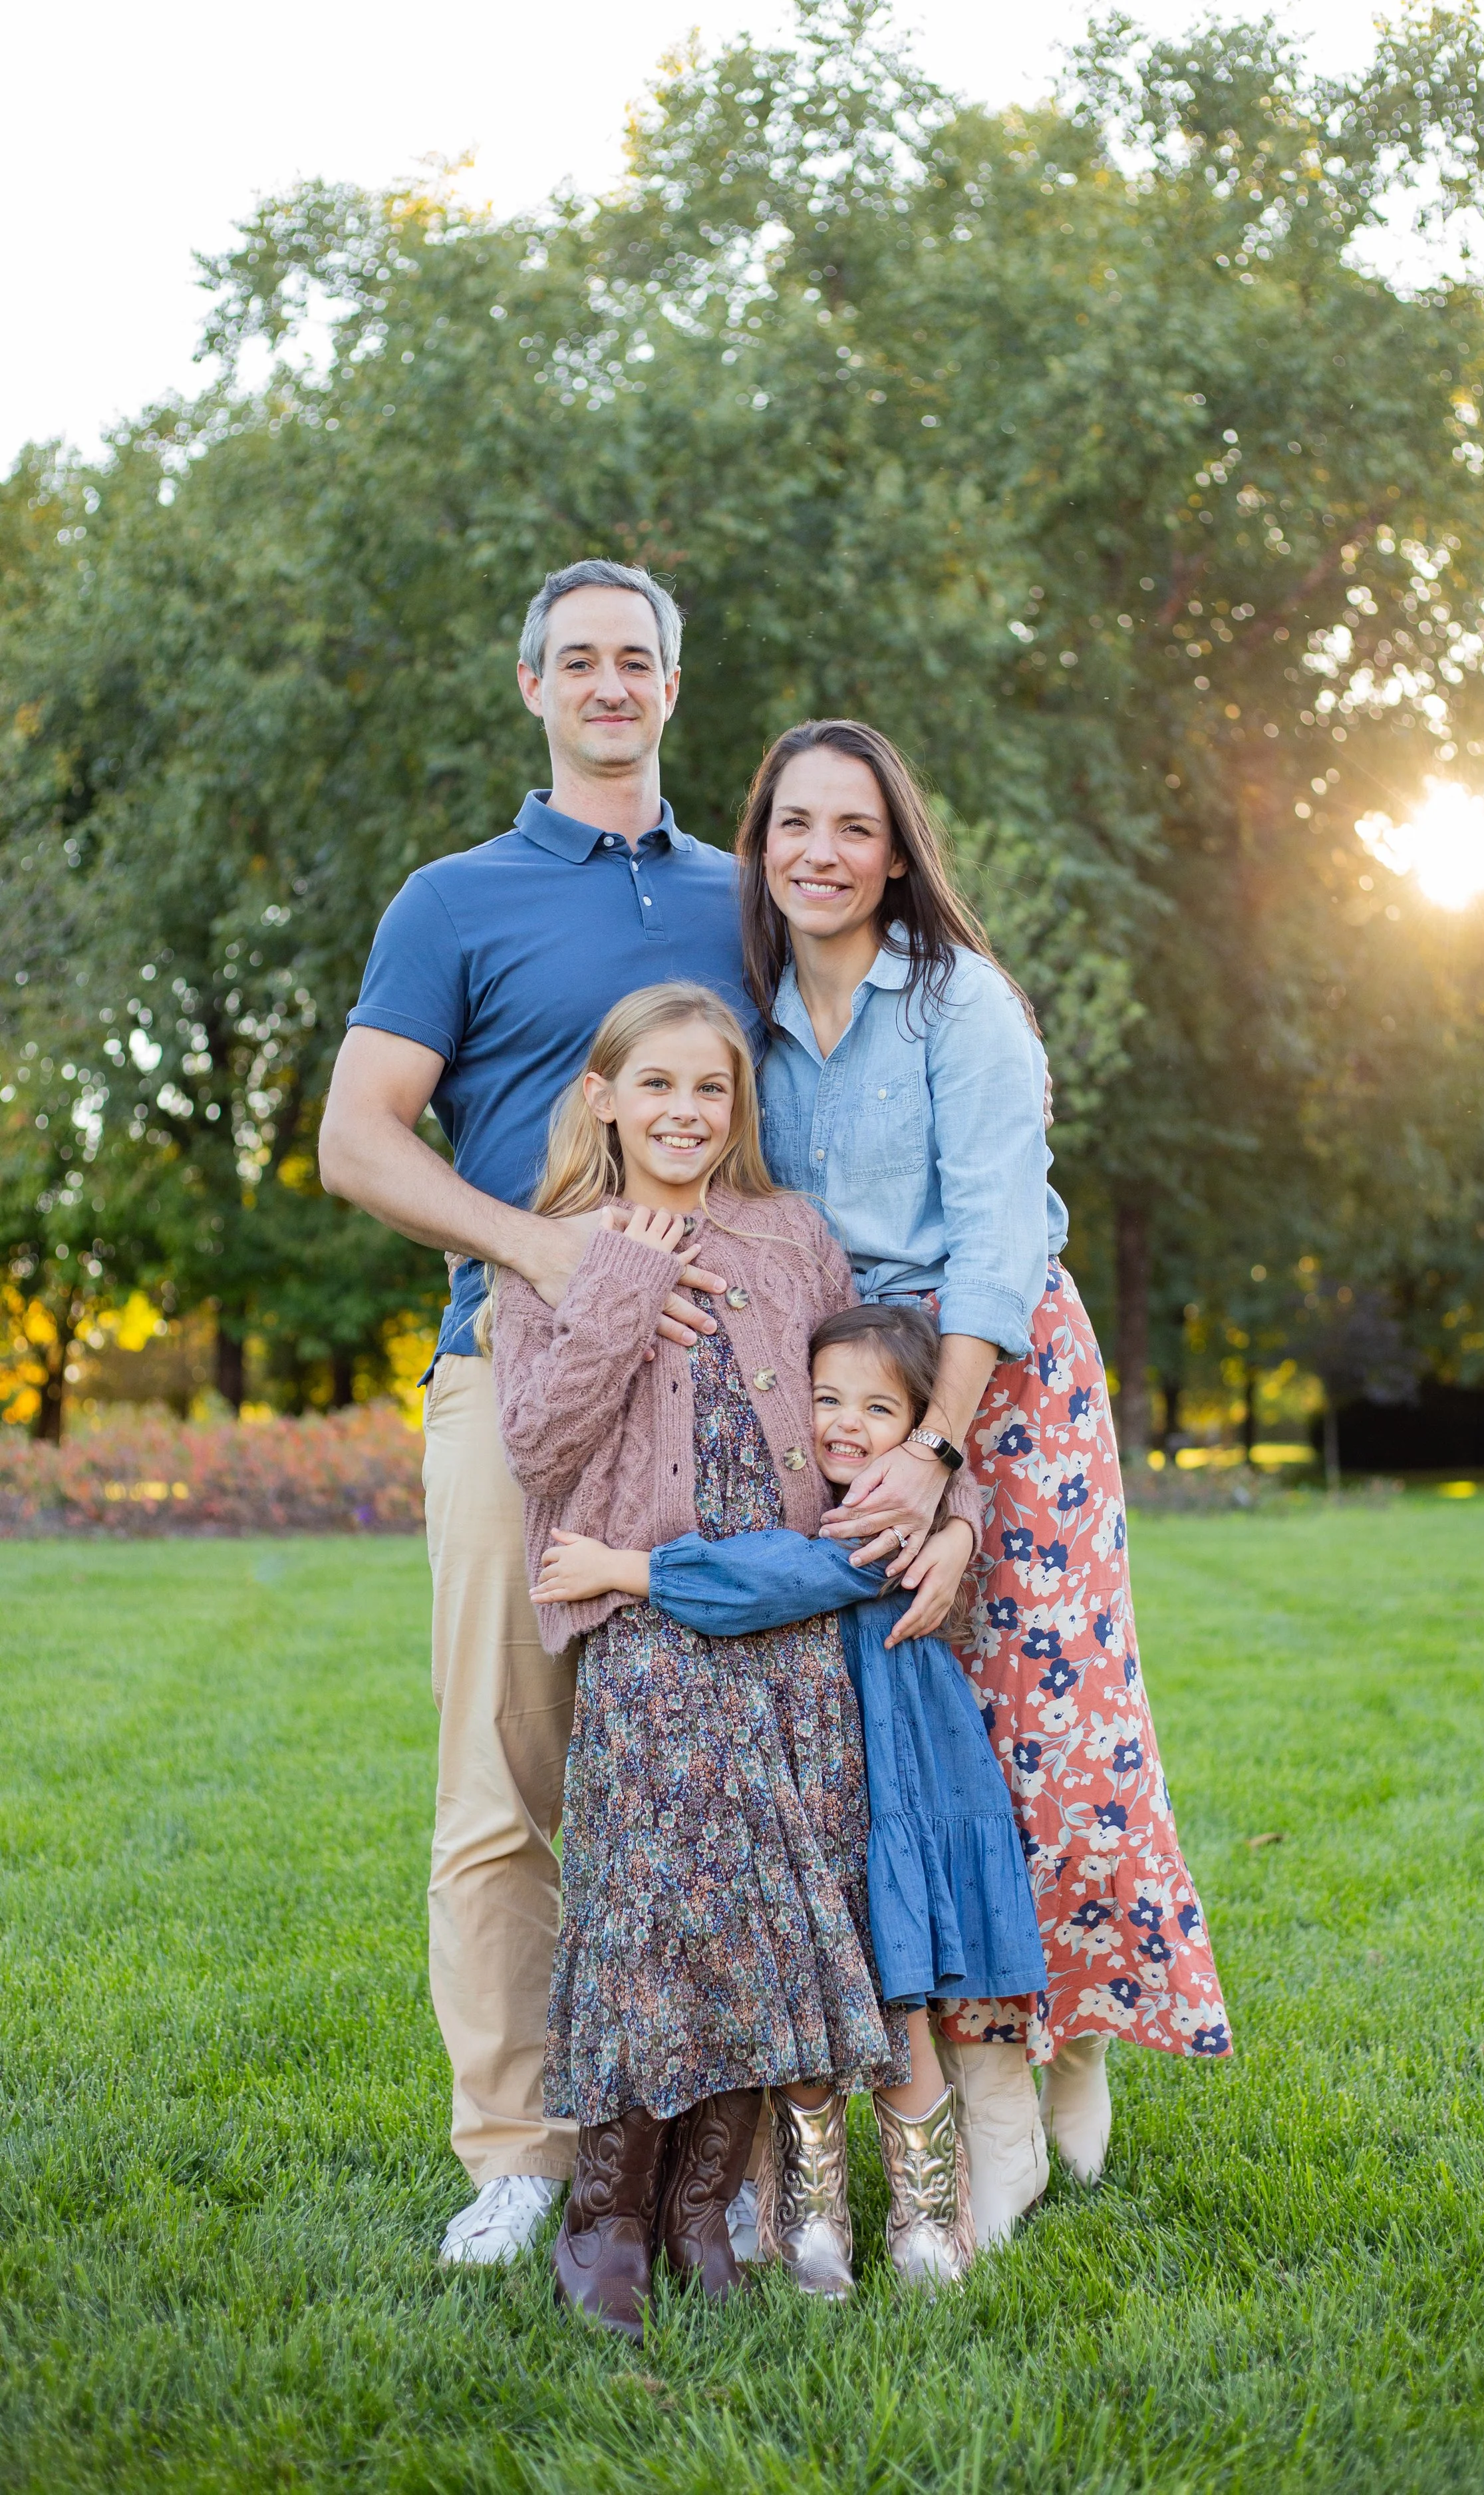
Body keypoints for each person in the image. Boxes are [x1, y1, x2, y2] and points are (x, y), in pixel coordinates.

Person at [736, 717, 1235, 2246]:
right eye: (792, 825)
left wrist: (941, 1453)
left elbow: (1000, 1247)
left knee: (1047, 1731)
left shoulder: (961, 1006)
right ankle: (971, 2060)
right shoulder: (744, 1017)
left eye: (852, 828)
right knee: (899, 1742)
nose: (819, 853)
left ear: (896, 855)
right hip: (839, 1391)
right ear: (762, 846)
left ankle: (1055, 2047)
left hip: (996, 1378)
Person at [317, 559, 760, 2263]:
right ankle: (517, 2147)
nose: (607, 683)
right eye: (576, 659)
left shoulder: (749, 894)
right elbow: (361, 1141)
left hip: (725, 1396)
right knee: (504, 1780)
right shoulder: (454, 898)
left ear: (669, 686)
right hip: (512, 1382)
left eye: (634, 658)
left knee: (723, 1771)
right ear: (531, 688)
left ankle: (733, 2147)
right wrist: (545, 1253)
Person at [487, 981, 985, 2332]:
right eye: (654, 1086)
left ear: (737, 1106)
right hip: (646, 1618)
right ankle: (609, 2214)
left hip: (797, 1616)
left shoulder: (786, 1234)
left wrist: (955, 1512)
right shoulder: (545, 1249)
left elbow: (873, 1415)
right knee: (653, 1897)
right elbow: (538, 1447)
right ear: (602, 1099)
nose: (684, 1112)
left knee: (776, 1909)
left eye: (709, 1089)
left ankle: (713, 2206)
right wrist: (626, 1276)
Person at [533, 1297, 1049, 2291]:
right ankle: (813, 2219)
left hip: (893, 1786)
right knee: (815, 2011)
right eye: (825, 1398)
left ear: (916, 1436)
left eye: (877, 1409)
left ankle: (928, 2217)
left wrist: (628, 1567)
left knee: (898, 2009)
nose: (845, 1424)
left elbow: (768, 1579)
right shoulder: (840, 1499)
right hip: (826, 1785)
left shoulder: (879, 1523)